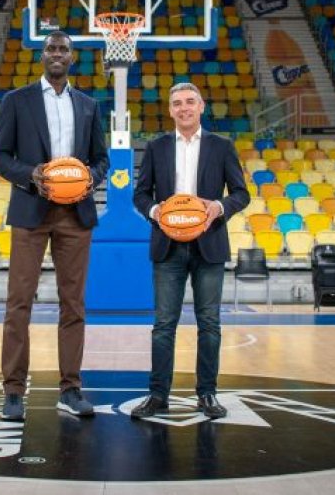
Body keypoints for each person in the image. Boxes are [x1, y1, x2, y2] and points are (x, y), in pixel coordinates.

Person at [0, 31, 110, 421]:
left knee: (73, 304)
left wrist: (90, 178)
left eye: (64, 49)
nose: (57, 54)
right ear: (42, 56)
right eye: (51, 49)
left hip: (75, 214)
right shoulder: (16, 101)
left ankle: (70, 389)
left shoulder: (88, 105)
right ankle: (13, 392)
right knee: (19, 303)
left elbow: (102, 160)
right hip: (31, 211)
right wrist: (31, 174)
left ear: (72, 57)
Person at [132, 82, 249, 419]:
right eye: (177, 103)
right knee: (163, 325)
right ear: (170, 110)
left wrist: (219, 206)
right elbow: (141, 194)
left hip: (208, 244)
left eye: (189, 102)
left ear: (201, 106)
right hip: (168, 246)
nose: (183, 108)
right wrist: (157, 212)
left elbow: (241, 193)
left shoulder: (222, 146)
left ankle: (207, 394)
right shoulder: (156, 147)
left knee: (209, 324)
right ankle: (158, 395)